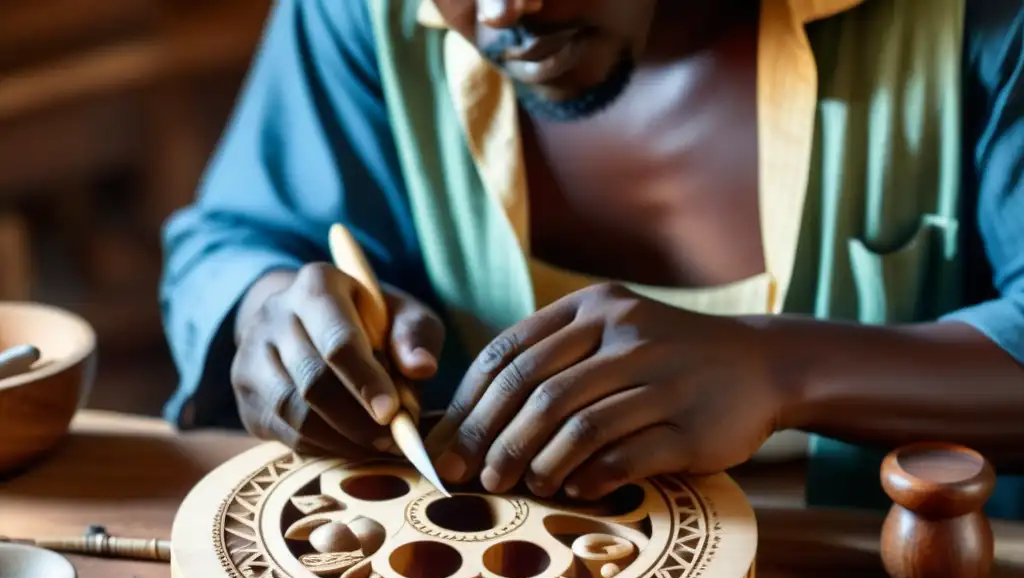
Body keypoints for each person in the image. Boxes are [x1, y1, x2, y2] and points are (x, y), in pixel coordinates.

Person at [160, 0, 1024, 517]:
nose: (504, 11)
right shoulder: (360, 14)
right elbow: (231, 241)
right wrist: (268, 308)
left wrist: (781, 368)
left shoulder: (976, 21)